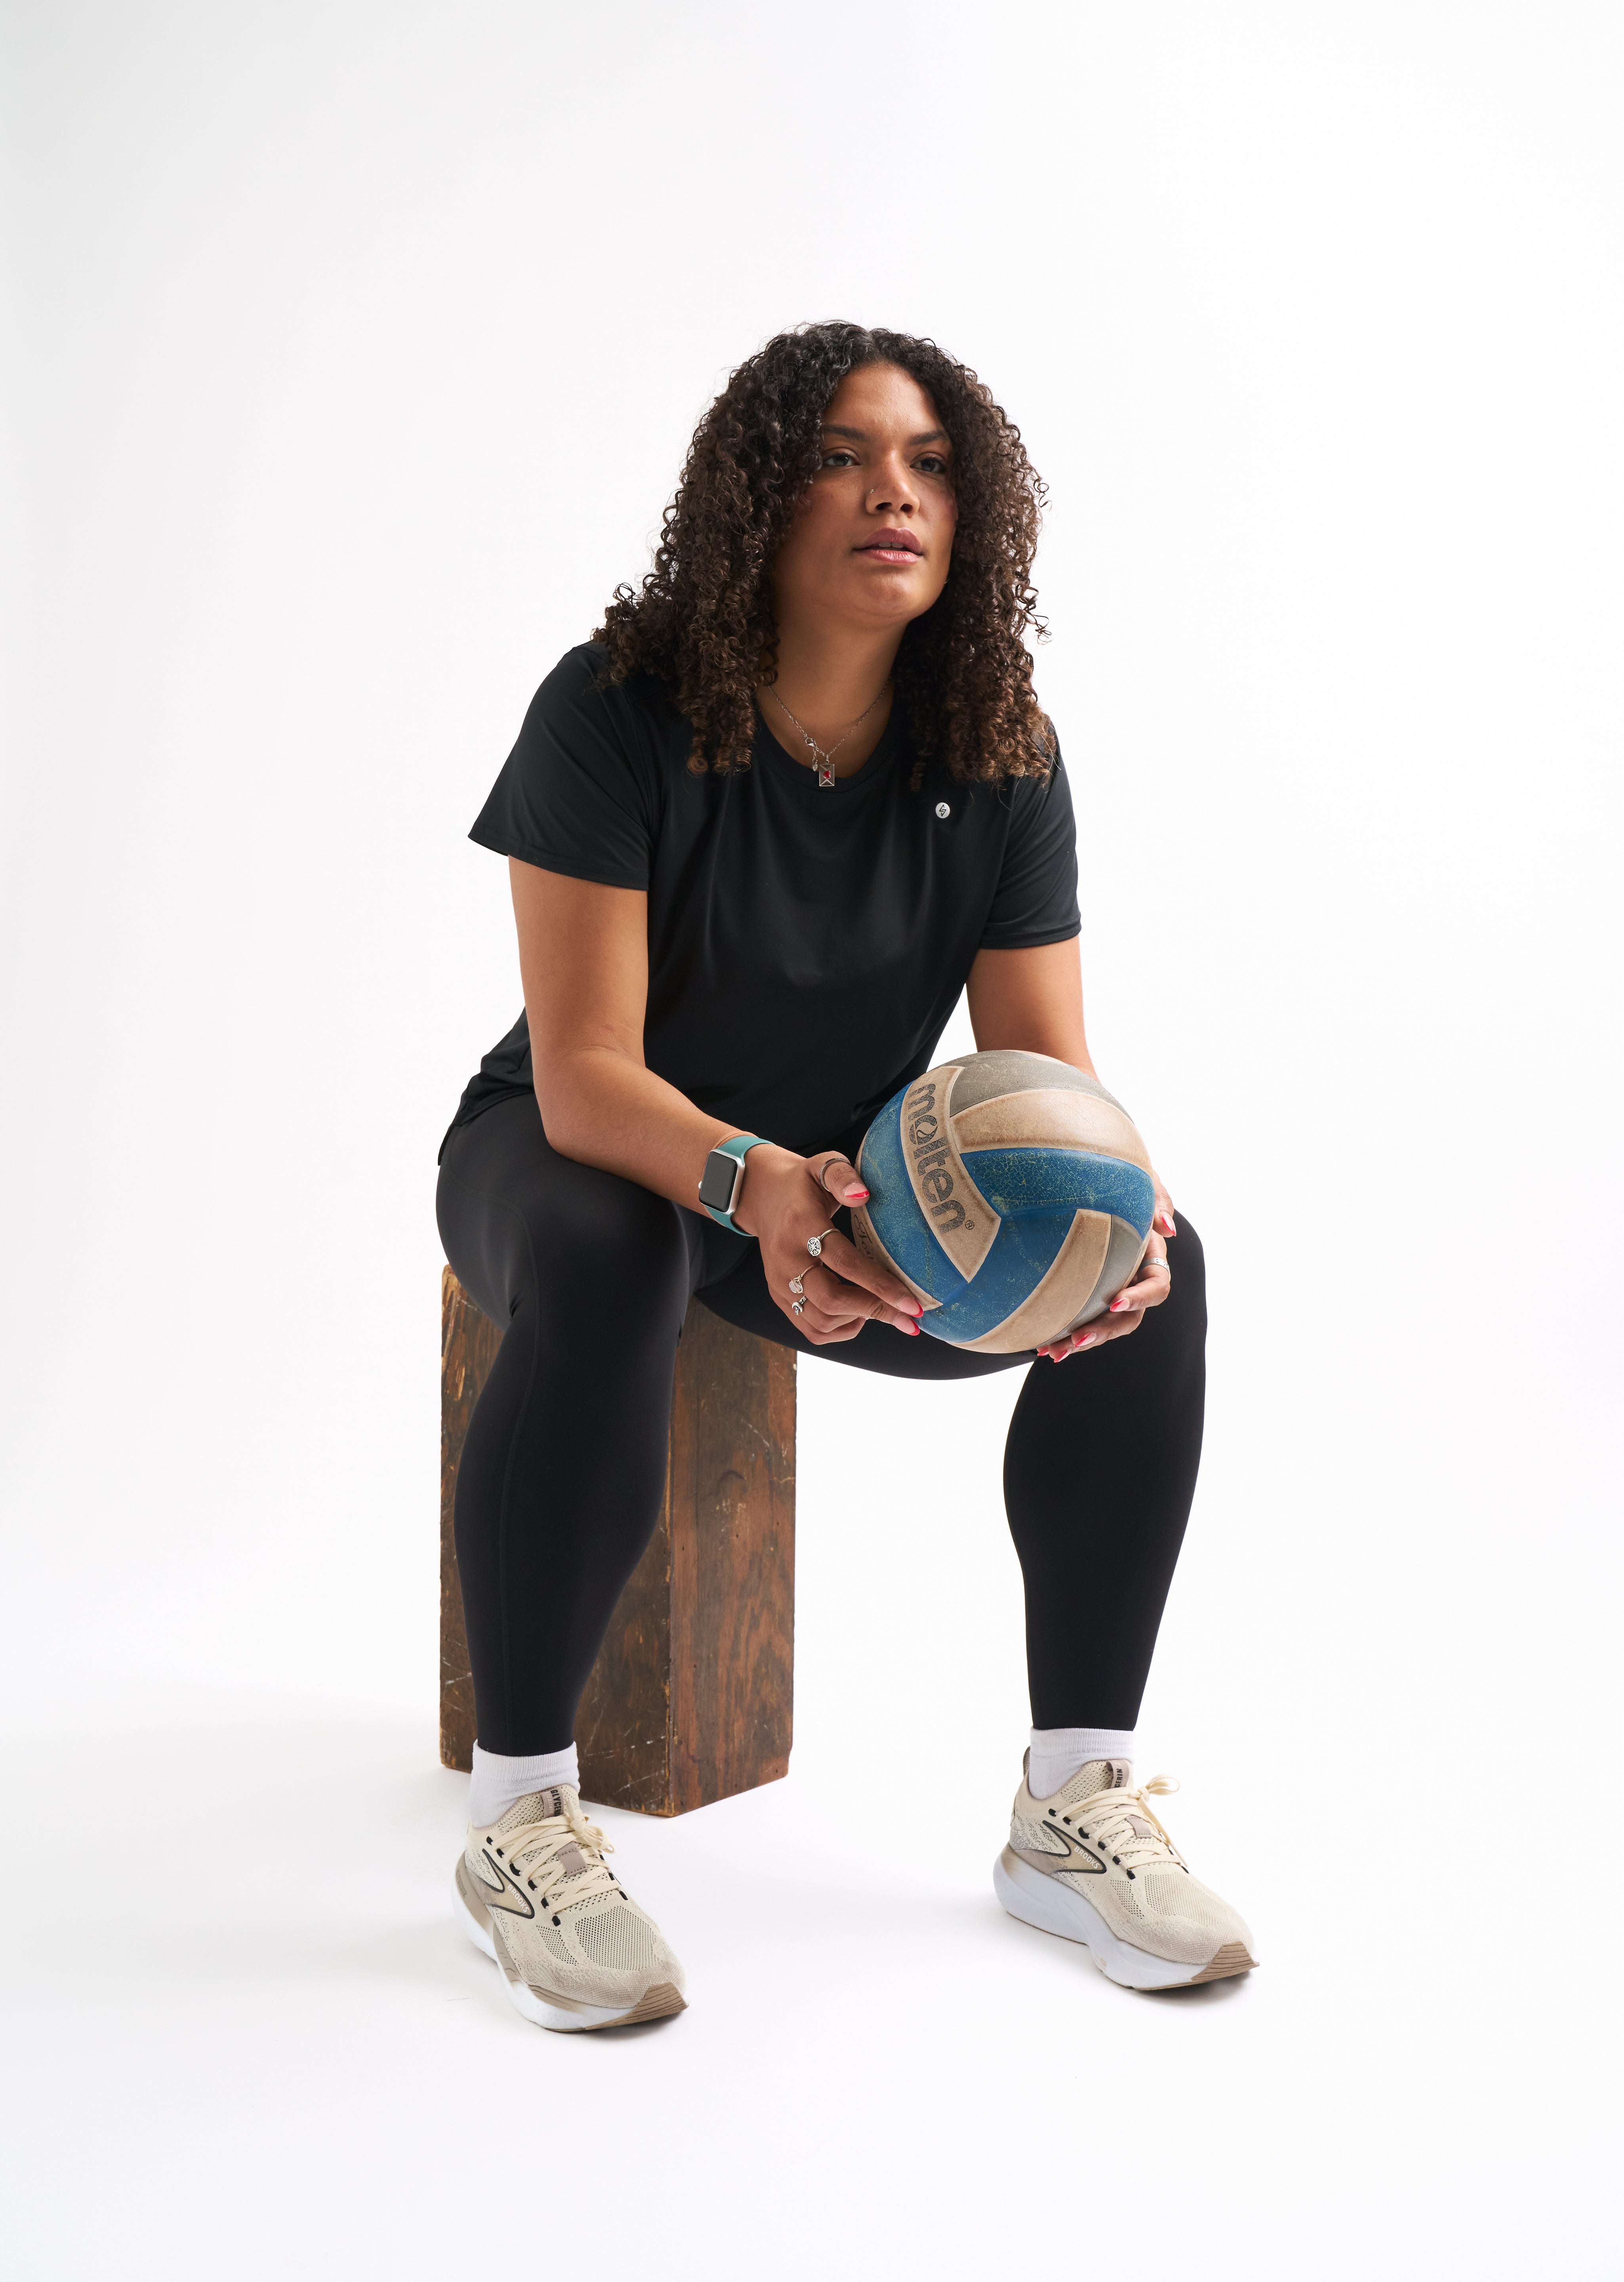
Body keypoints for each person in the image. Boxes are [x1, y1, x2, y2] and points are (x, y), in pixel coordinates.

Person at [435, 321, 1255, 2031]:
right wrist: (747, 1185)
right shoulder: (615, 710)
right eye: (841, 455)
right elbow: (586, 1069)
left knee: (1160, 1274)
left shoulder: (997, 745)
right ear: (754, 500)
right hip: (593, 1154)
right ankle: (519, 1820)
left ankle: (1070, 1802)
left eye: (931, 464)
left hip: (850, 1196)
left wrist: (1119, 1217)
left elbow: (1045, 1072)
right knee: (608, 1255)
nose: (896, 492)